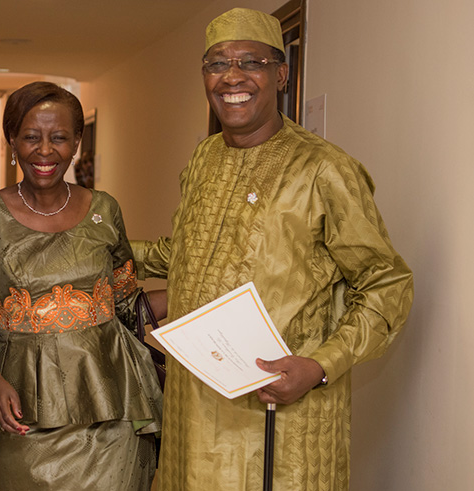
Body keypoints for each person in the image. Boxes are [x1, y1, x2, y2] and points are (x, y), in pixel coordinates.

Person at [133, 8, 414, 490]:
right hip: (192, 408)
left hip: (279, 417)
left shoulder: (325, 169)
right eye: (218, 64)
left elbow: (387, 285)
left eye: (251, 62)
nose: (232, 77)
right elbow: (184, 251)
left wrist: (319, 367)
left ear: (281, 74)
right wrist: (98, 242)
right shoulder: (204, 156)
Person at [0, 81, 163, 490]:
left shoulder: (104, 208)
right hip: (21, 403)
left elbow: (125, 304)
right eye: (31, 137)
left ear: (77, 141)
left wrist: (197, 292)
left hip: (110, 404)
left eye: (59, 137)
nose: (45, 151)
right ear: (12, 141)